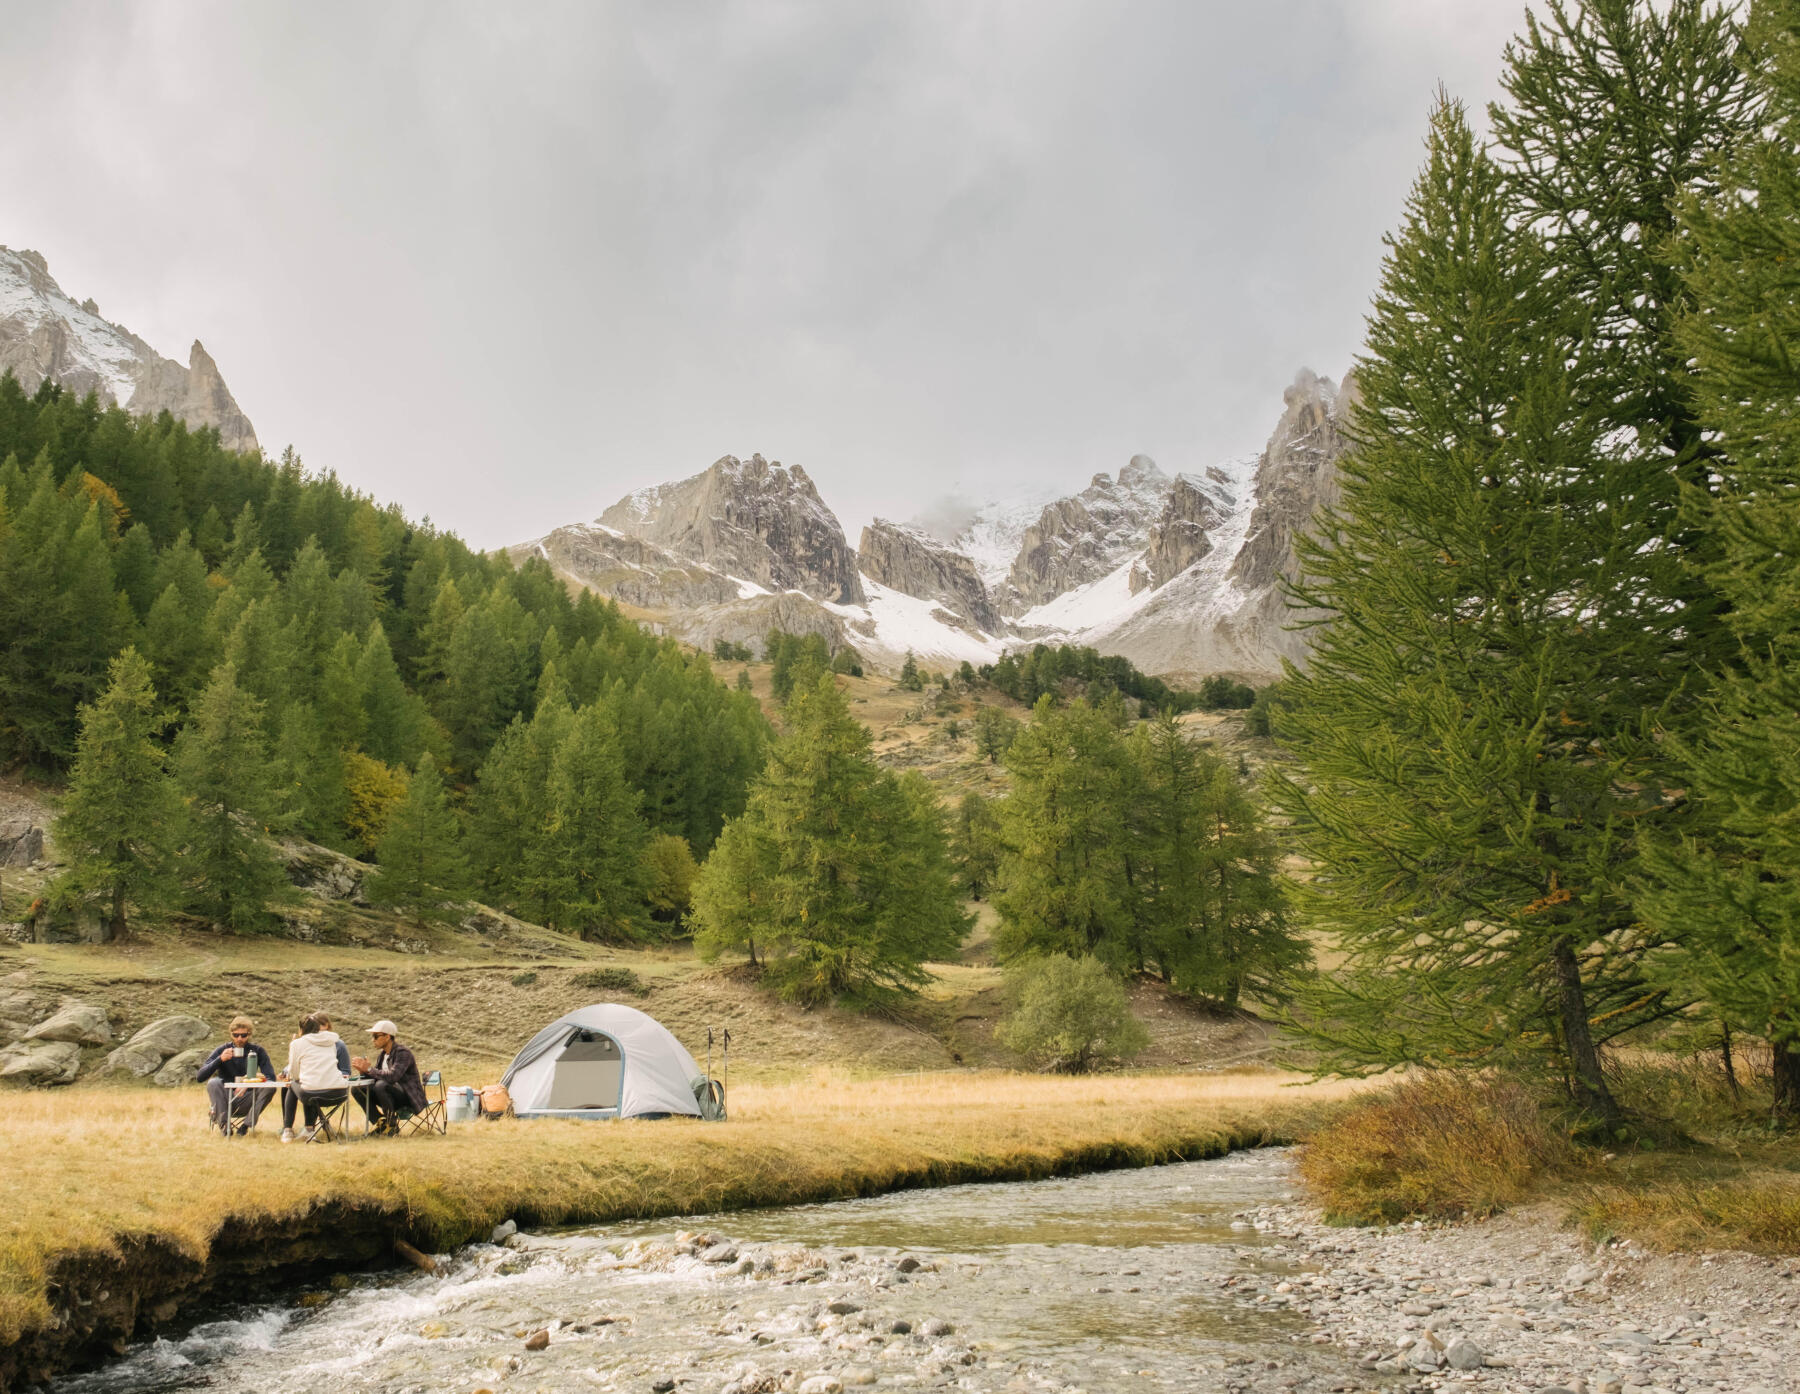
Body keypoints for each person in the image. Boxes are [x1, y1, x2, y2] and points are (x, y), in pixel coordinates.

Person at [194, 1016, 276, 1135]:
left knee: (270, 1087)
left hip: (248, 1098)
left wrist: (247, 1084)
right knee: (213, 1082)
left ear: (249, 1034)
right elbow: (200, 1077)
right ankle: (225, 1126)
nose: (239, 1039)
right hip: (225, 1099)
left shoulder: (257, 1051)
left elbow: (270, 1078)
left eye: (243, 1035)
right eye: (235, 1035)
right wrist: (220, 1059)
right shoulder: (222, 1050)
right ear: (231, 1034)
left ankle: (245, 1126)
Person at [277, 1013, 352, 1142]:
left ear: (301, 1030)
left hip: (313, 1094)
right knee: (308, 1083)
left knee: (295, 1084)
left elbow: (294, 1072)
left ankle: (288, 1130)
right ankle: (308, 1129)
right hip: (340, 1093)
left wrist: (297, 1077)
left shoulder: (297, 1044)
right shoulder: (332, 1042)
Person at [351, 1019, 426, 1135]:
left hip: (408, 1098)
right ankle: (381, 1123)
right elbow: (377, 1077)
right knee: (357, 1089)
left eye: (376, 1036)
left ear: (387, 1037)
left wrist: (369, 1069)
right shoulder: (382, 1055)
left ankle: (391, 1125)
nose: (373, 1040)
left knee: (381, 1085)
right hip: (388, 1095)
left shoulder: (403, 1053)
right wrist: (363, 1072)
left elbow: (392, 1077)